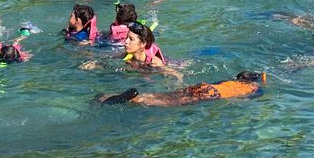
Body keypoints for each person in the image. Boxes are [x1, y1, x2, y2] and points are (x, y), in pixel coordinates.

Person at [100, 71, 265, 106]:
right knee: (170, 103)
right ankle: (137, 100)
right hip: (213, 94)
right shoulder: (253, 89)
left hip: (204, 86)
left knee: (167, 95)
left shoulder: (230, 81)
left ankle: (107, 96)